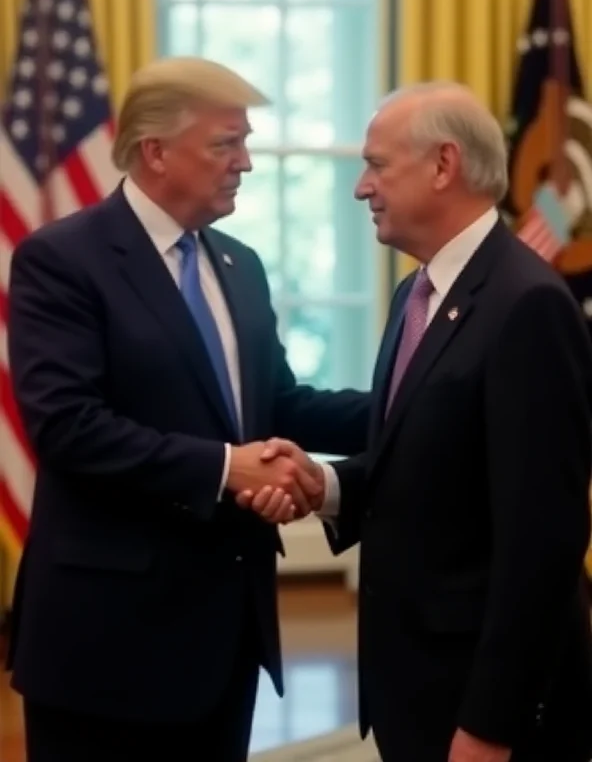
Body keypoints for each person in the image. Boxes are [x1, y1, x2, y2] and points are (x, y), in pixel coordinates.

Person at [5, 56, 369, 762]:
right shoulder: (63, 259)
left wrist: (413, 398)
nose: (246, 164)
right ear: (156, 151)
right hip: (104, 646)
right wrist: (226, 467)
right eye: (226, 144)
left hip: (224, 635)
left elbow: (279, 404)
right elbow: (67, 426)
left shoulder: (240, 263)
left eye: (246, 143)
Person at [242, 82, 592, 762]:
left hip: (485, 706)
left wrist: (491, 725)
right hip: (416, 686)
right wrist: (328, 486)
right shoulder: (419, 292)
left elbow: (541, 543)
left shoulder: (527, 306)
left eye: (376, 165)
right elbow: (427, 459)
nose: (360, 188)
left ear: (443, 165)